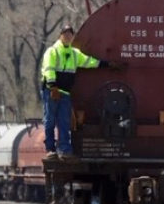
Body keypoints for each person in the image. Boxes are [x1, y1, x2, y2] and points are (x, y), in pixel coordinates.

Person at [40, 24, 115, 160]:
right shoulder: (52, 52)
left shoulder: (75, 54)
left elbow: (89, 62)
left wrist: (107, 64)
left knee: (64, 121)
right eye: (65, 34)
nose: (68, 36)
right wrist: (52, 86)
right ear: (60, 35)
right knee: (49, 120)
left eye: (70, 34)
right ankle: (50, 149)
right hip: (52, 92)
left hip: (65, 93)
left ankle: (64, 150)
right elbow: (48, 69)